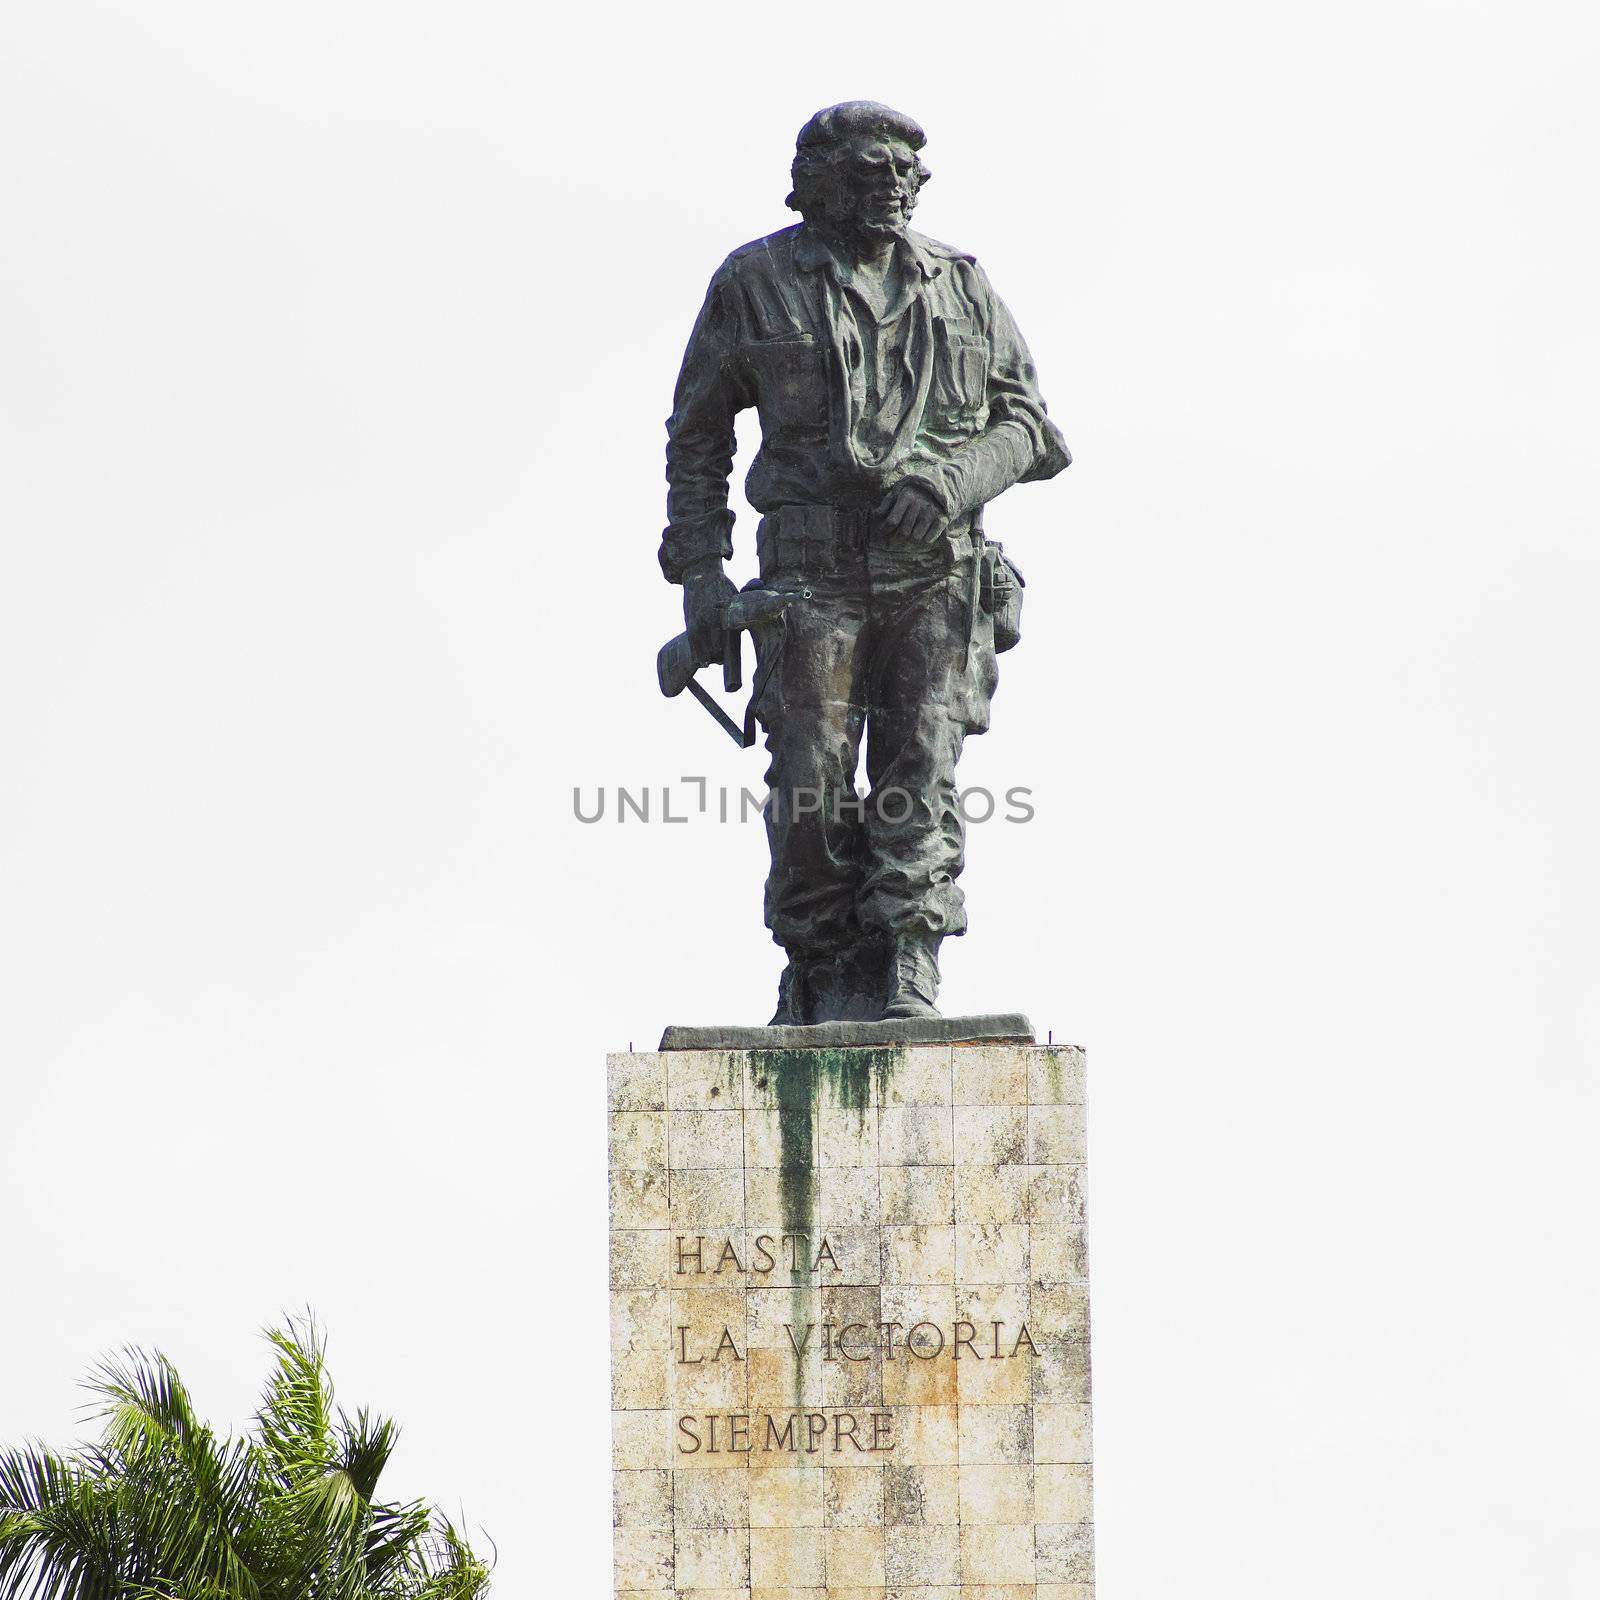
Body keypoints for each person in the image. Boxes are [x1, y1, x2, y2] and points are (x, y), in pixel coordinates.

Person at [661, 101, 1070, 1024]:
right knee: (809, 779)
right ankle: (815, 962)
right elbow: (696, 441)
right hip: (808, 572)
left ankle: (907, 962)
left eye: (903, 170)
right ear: (812, 182)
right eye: (865, 167)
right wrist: (702, 577)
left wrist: (954, 480)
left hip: (933, 566)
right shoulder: (754, 280)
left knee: (918, 769)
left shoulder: (961, 285)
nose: (889, 183)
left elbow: (1033, 428)